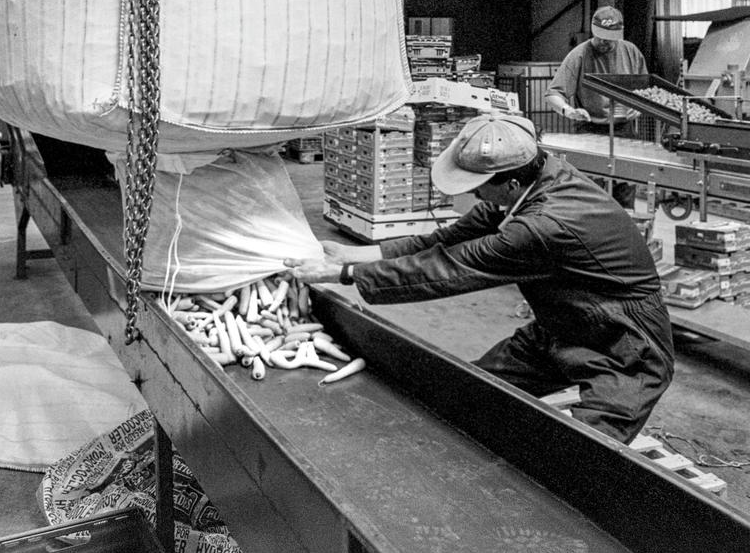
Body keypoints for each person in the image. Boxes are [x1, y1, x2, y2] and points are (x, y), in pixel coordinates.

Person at [286, 113, 674, 444]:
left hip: (623, 344)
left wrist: (345, 275)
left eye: (477, 188)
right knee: (471, 390)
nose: (472, 199)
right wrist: (358, 253)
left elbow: (449, 268)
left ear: (510, 183)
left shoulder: (543, 225)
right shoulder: (532, 181)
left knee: (581, 457)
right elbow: (447, 239)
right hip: (562, 325)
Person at [545, 4, 647, 208]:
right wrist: (569, 110)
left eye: (610, 39)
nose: (604, 43)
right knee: (592, 193)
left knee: (625, 192)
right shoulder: (579, 55)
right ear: (593, 30)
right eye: (600, 37)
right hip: (590, 130)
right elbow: (553, 93)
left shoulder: (631, 52)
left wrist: (640, 105)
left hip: (623, 131)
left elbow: (645, 91)